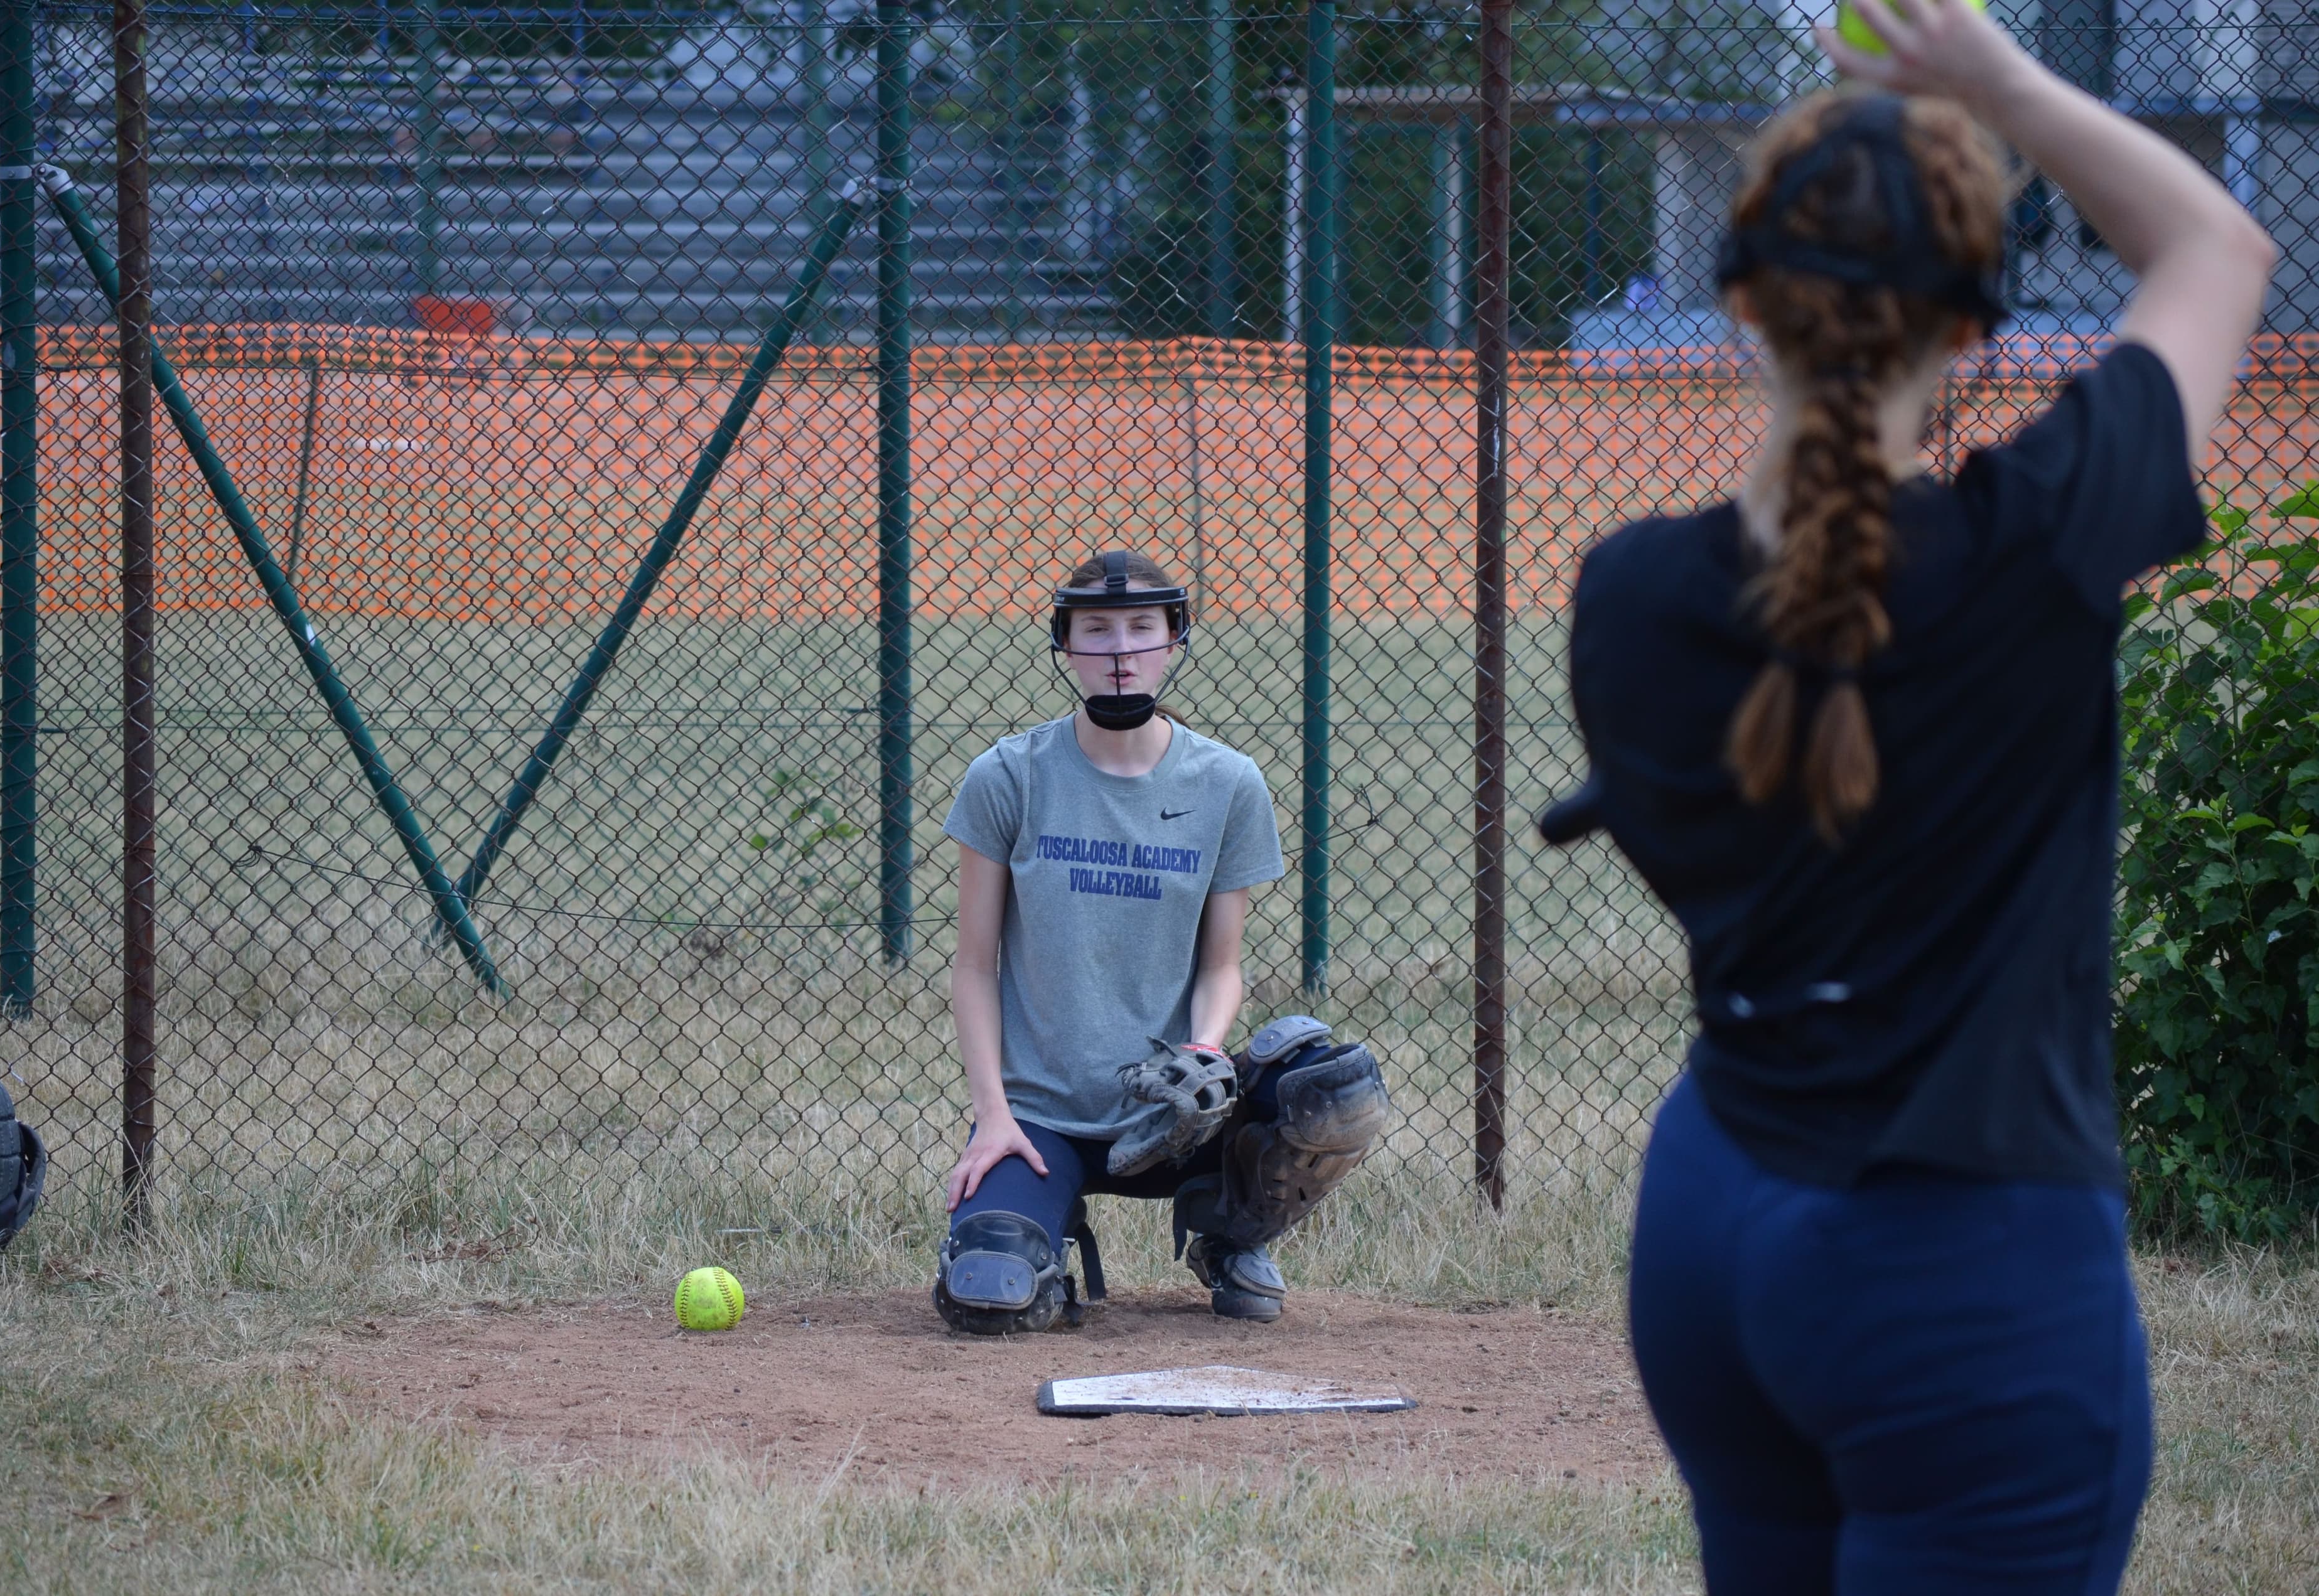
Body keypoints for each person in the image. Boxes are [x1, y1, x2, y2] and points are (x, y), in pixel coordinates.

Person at [1553, 1, 2276, 1590]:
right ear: (1976, 333)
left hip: (1716, 1220)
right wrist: (1998, 82)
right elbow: (2213, 244)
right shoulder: (2036, 549)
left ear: (1735, 297)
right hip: (1957, 1255)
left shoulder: (1626, 596)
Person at [930, 550, 1391, 1332]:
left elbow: (1223, 965)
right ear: (1065, 643)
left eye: (1142, 627)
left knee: (1334, 1084)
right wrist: (993, 1113)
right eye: (1096, 629)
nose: (1119, 649)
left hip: (1180, 1112)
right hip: (1042, 1117)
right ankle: (1040, 1233)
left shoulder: (1227, 781)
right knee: (990, 1286)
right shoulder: (1009, 775)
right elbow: (974, 968)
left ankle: (1228, 1233)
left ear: (1174, 639)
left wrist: (1207, 1050)